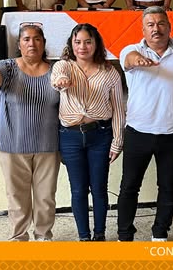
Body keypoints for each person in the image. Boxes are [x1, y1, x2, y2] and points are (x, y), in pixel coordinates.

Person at [0, 23, 60, 241]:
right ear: (19, 44)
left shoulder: (56, 69)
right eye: (26, 39)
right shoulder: (7, 67)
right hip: (12, 145)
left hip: (48, 146)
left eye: (37, 39)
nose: (32, 43)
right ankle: (19, 237)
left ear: (44, 43)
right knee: (17, 197)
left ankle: (44, 237)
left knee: (46, 197)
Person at [117, 6, 173, 242]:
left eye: (161, 23)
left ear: (169, 27)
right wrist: (139, 60)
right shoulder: (131, 50)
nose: (156, 29)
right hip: (137, 132)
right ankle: (124, 234)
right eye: (150, 25)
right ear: (143, 30)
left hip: (172, 132)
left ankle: (160, 232)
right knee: (129, 186)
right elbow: (129, 61)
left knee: (167, 186)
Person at [51, 23, 125, 241]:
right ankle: (84, 237)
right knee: (78, 190)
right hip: (70, 137)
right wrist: (61, 82)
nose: (82, 47)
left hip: (100, 135)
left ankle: (99, 235)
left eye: (88, 42)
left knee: (99, 189)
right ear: (71, 44)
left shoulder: (110, 72)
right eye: (77, 42)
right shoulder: (64, 66)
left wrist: (117, 141)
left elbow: (118, 109)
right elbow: (58, 78)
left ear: (96, 44)